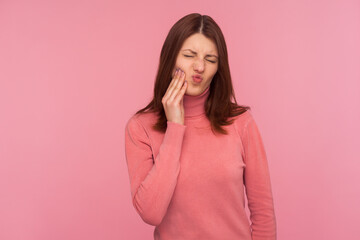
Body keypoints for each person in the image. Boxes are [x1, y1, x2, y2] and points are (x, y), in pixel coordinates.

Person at [124, 13, 277, 240]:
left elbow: (262, 211)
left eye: (211, 59)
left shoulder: (241, 122)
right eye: (189, 55)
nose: (199, 67)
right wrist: (175, 126)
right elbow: (151, 212)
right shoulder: (140, 128)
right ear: (170, 58)